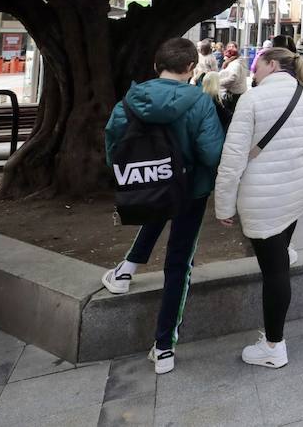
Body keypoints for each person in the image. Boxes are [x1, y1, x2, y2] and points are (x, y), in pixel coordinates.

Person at [100, 38, 225, 375]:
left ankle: (126, 270)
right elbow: (212, 153)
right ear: (190, 68)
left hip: (145, 184)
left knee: (156, 212)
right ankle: (165, 347)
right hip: (190, 190)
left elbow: (113, 145)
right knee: (178, 264)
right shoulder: (199, 103)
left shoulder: (130, 100)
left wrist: (138, 172)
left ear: (157, 66)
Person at [214, 47, 303, 370]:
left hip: (264, 197)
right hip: (299, 188)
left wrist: (224, 206)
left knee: (274, 272)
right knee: (280, 251)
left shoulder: (252, 100)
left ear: (272, 64)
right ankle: (283, 251)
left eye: (256, 65)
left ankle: (274, 346)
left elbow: (232, 159)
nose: (253, 71)